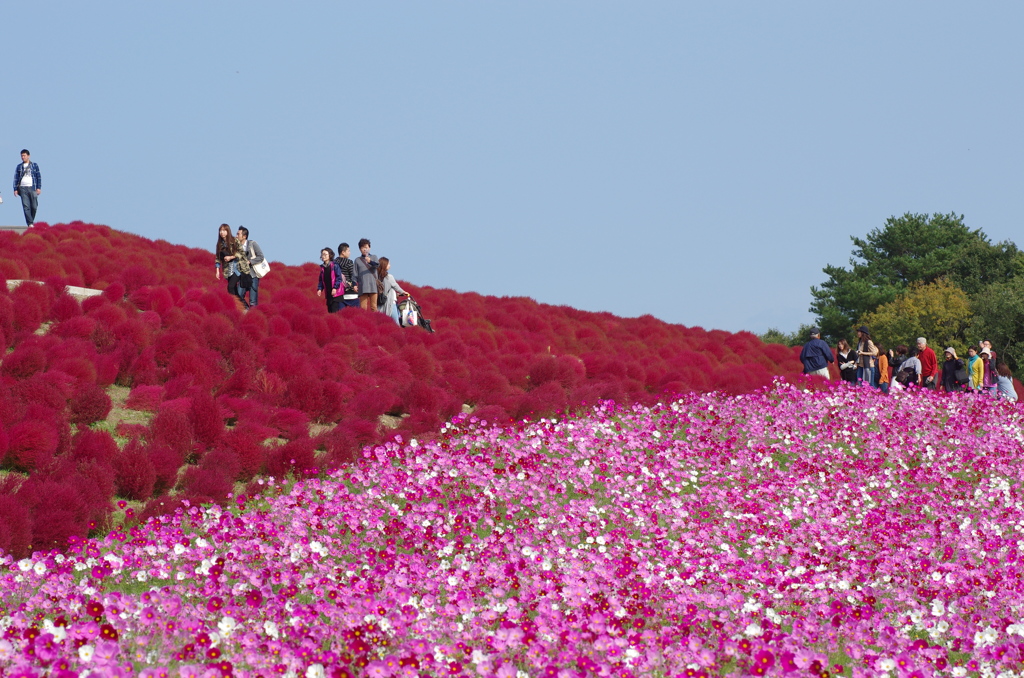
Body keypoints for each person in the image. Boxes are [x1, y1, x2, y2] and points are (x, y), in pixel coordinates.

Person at [214, 224, 248, 304]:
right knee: (234, 289)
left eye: (224, 230)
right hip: (227, 269)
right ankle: (244, 306)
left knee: (230, 287)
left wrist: (231, 257)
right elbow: (217, 258)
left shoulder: (234, 241)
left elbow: (241, 253)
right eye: (220, 230)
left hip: (237, 268)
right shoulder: (219, 244)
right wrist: (217, 270)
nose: (222, 232)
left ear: (228, 231)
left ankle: (234, 304)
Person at [236, 226, 265, 308]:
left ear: (244, 236)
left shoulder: (252, 244)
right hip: (243, 276)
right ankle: (247, 311)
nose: (236, 236)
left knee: (253, 301)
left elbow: (261, 257)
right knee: (238, 297)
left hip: (253, 275)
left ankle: (253, 315)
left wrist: (250, 262)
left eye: (238, 234)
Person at [376, 257, 408, 325]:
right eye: (388, 264)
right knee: (396, 322)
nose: (390, 265)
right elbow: (395, 286)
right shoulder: (389, 277)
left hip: (380, 302)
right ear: (384, 265)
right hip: (390, 303)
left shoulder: (377, 277)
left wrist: (397, 295)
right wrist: (403, 292)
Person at [13, 150, 41, 227]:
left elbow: (38, 177)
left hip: (32, 188)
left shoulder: (34, 165)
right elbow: (16, 178)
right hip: (22, 188)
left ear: (28, 156)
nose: (23, 157)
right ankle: (30, 223)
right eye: (22, 156)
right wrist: (15, 189)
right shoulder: (19, 166)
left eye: (24, 155)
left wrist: (38, 188)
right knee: (26, 206)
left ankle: (31, 220)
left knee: (34, 206)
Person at [353, 238, 379, 311]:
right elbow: (354, 274)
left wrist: (370, 261)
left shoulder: (374, 257)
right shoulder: (357, 260)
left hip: (373, 286)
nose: (365, 249)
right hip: (362, 286)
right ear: (360, 249)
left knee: (374, 307)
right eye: (362, 248)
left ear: (369, 248)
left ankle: (375, 321)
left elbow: (377, 265)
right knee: (363, 308)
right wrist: (354, 284)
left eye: (366, 247)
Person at [316, 247, 344, 313]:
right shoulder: (323, 268)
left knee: (335, 312)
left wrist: (335, 288)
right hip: (329, 293)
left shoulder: (335, 265)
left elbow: (339, 278)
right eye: (322, 254)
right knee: (330, 311)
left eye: (325, 254)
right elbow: (321, 280)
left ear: (330, 255)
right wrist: (320, 289)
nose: (323, 256)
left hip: (336, 294)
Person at [336, 243, 360, 309]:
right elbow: (353, 276)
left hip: (339, 294)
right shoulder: (349, 262)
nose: (350, 253)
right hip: (351, 294)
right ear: (343, 252)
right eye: (348, 251)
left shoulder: (334, 263)